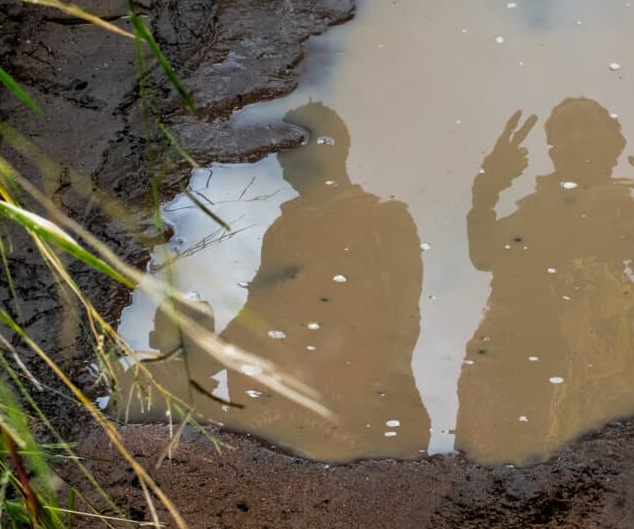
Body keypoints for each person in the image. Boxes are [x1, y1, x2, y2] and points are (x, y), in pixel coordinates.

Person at [134, 101, 431, 462]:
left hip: (343, 381)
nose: (282, 163)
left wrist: (392, 378)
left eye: (289, 153)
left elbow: (405, 309)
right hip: (278, 380)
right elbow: (259, 307)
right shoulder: (285, 226)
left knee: (331, 473)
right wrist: (211, 353)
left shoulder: (385, 220)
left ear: (336, 150)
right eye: (281, 154)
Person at [455, 98, 634, 466]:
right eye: (562, 133)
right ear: (554, 152)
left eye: (585, 127)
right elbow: (485, 258)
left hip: (582, 368)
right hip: (524, 364)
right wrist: (485, 193)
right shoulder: (541, 206)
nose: (574, 140)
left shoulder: (618, 208)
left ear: (611, 145)